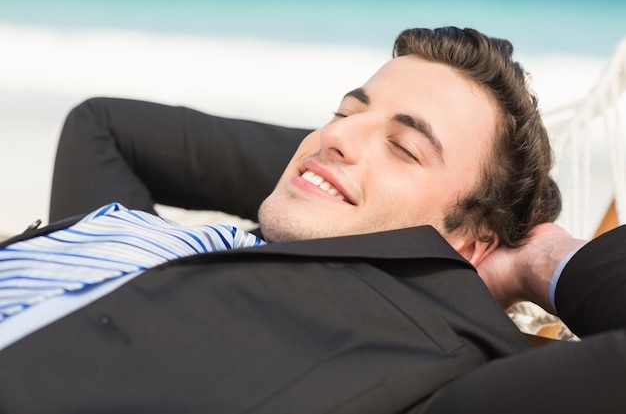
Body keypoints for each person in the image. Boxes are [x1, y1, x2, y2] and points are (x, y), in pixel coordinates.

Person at [0, 26, 624, 413]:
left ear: (473, 241)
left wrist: (547, 256)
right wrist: (327, 176)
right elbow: (103, 125)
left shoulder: (427, 360)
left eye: (406, 149)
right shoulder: (157, 235)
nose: (335, 136)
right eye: (345, 111)